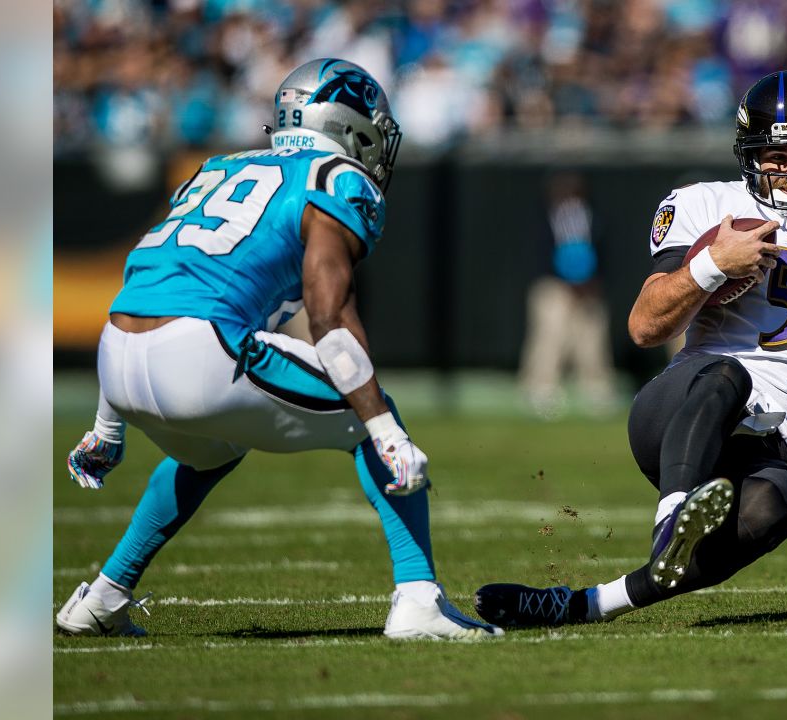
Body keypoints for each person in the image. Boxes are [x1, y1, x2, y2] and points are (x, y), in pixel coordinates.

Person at [475, 57, 787, 626]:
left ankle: (590, 603)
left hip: (772, 445)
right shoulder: (705, 205)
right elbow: (644, 327)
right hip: (685, 412)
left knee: (781, 503)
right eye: (777, 156)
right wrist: (712, 264)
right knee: (728, 375)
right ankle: (672, 518)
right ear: (750, 155)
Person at [56, 58, 502, 641]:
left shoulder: (218, 166)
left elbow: (145, 285)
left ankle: (102, 598)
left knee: (212, 451)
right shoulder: (337, 178)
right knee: (371, 417)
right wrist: (385, 429)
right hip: (199, 349)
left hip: (116, 352)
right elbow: (329, 317)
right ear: (349, 125)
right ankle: (419, 600)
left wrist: (106, 425)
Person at [517, 172, 616, 418]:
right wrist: (565, 279)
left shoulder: (593, 217)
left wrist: (591, 281)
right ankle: (542, 389)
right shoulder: (545, 217)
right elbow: (541, 252)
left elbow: (599, 252)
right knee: (550, 338)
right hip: (554, 286)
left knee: (592, 339)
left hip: (589, 288)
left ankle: (597, 389)